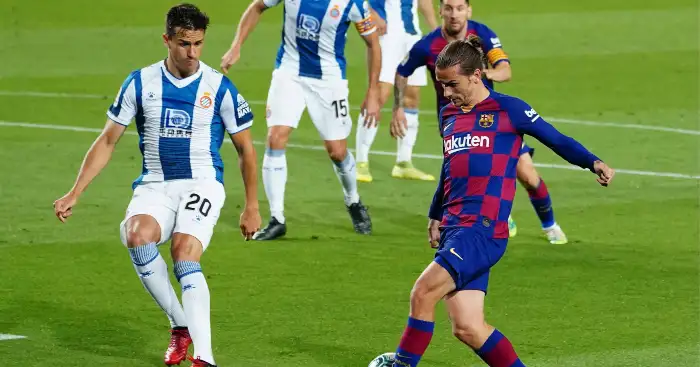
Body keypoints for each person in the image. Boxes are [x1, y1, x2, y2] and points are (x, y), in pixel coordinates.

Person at [53, 4, 261, 366]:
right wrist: (76, 190)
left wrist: (252, 205)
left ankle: (205, 357)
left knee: (184, 254)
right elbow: (107, 141)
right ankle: (180, 325)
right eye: (184, 44)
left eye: (198, 44)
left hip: (203, 183)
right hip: (155, 183)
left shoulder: (218, 87)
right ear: (167, 40)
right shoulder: (140, 82)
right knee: (136, 235)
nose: (193, 53)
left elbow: (246, 149)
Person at [387, 38, 615, 367]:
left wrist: (593, 162)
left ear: (476, 75)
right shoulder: (449, 114)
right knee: (468, 327)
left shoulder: (509, 110)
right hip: (455, 228)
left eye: (453, 84)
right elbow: (450, 167)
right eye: (442, 85)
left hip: (482, 230)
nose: (447, 93)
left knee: (422, 294)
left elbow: (556, 138)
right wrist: (435, 214)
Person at [391, 0, 569, 244]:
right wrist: (398, 108)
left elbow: (505, 70)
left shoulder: (483, 36)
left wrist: (482, 74)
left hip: (496, 122)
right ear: (440, 10)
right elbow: (402, 71)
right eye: (449, 8)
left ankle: (550, 225)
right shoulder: (428, 45)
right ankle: (495, 218)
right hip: (457, 125)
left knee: (527, 175)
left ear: (468, 10)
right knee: (472, 177)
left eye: (460, 8)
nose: (454, 14)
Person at [221, 0, 380, 241]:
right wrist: (236, 46)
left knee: (337, 151)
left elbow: (373, 44)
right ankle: (277, 218)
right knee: (275, 138)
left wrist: (372, 92)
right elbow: (257, 7)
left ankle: (353, 200)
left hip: (329, 81)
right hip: (289, 73)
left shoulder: (353, 3)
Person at [354, 0, 438, 183]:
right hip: (386, 34)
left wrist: (436, 31)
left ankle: (403, 162)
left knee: (412, 97)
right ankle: (360, 162)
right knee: (379, 94)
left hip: (412, 35)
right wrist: (370, 13)